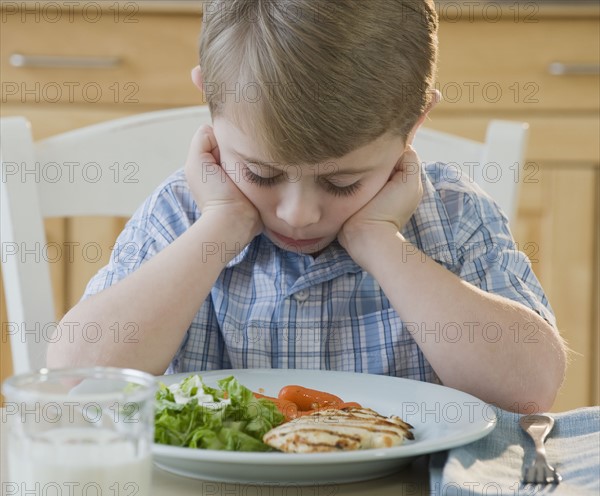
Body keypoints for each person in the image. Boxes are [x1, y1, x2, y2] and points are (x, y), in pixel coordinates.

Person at [47, 0, 566, 413]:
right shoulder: (182, 217)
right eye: (262, 173)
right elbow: (75, 379)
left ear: (415, 121)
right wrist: (220, 228)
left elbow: (529, 390)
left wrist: (382, 243)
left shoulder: (452, 217)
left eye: (342, 182)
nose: (298, 213)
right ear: (210, 99)